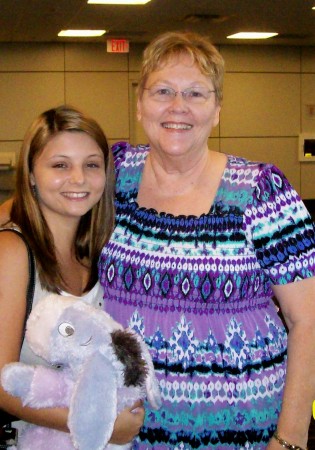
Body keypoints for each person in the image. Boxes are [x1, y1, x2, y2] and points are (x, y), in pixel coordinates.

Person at [96, 31, 315, 450]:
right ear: (140, 102)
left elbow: (309, 320)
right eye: (163, 91)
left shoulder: (261, 191)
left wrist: (290, 438)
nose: (178, 107)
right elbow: (38, 199)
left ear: (217, 110)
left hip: (242, 432)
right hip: (122, 429)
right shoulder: (111, 173)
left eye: (197, 93)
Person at [0, 105, 144, 446]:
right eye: (60, 165)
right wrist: (99, 423)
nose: (78, 178)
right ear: (32, 174)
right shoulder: (13, 251)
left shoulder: (97, 252)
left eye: (91, 165)